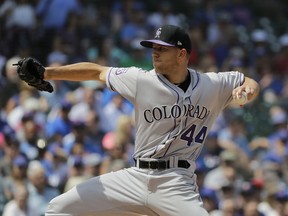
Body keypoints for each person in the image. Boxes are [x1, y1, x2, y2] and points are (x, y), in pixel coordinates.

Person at [40, 24, 259, 216]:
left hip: (176, 182)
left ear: (182, 54)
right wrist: (46, 74)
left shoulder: (212, 84)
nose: (155, 53)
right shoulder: (140, 80)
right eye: (154, 47)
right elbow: (97, 72)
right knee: (60, 208)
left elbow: (249, 81)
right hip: (136, 177)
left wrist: (248, 91)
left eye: (162, 48)